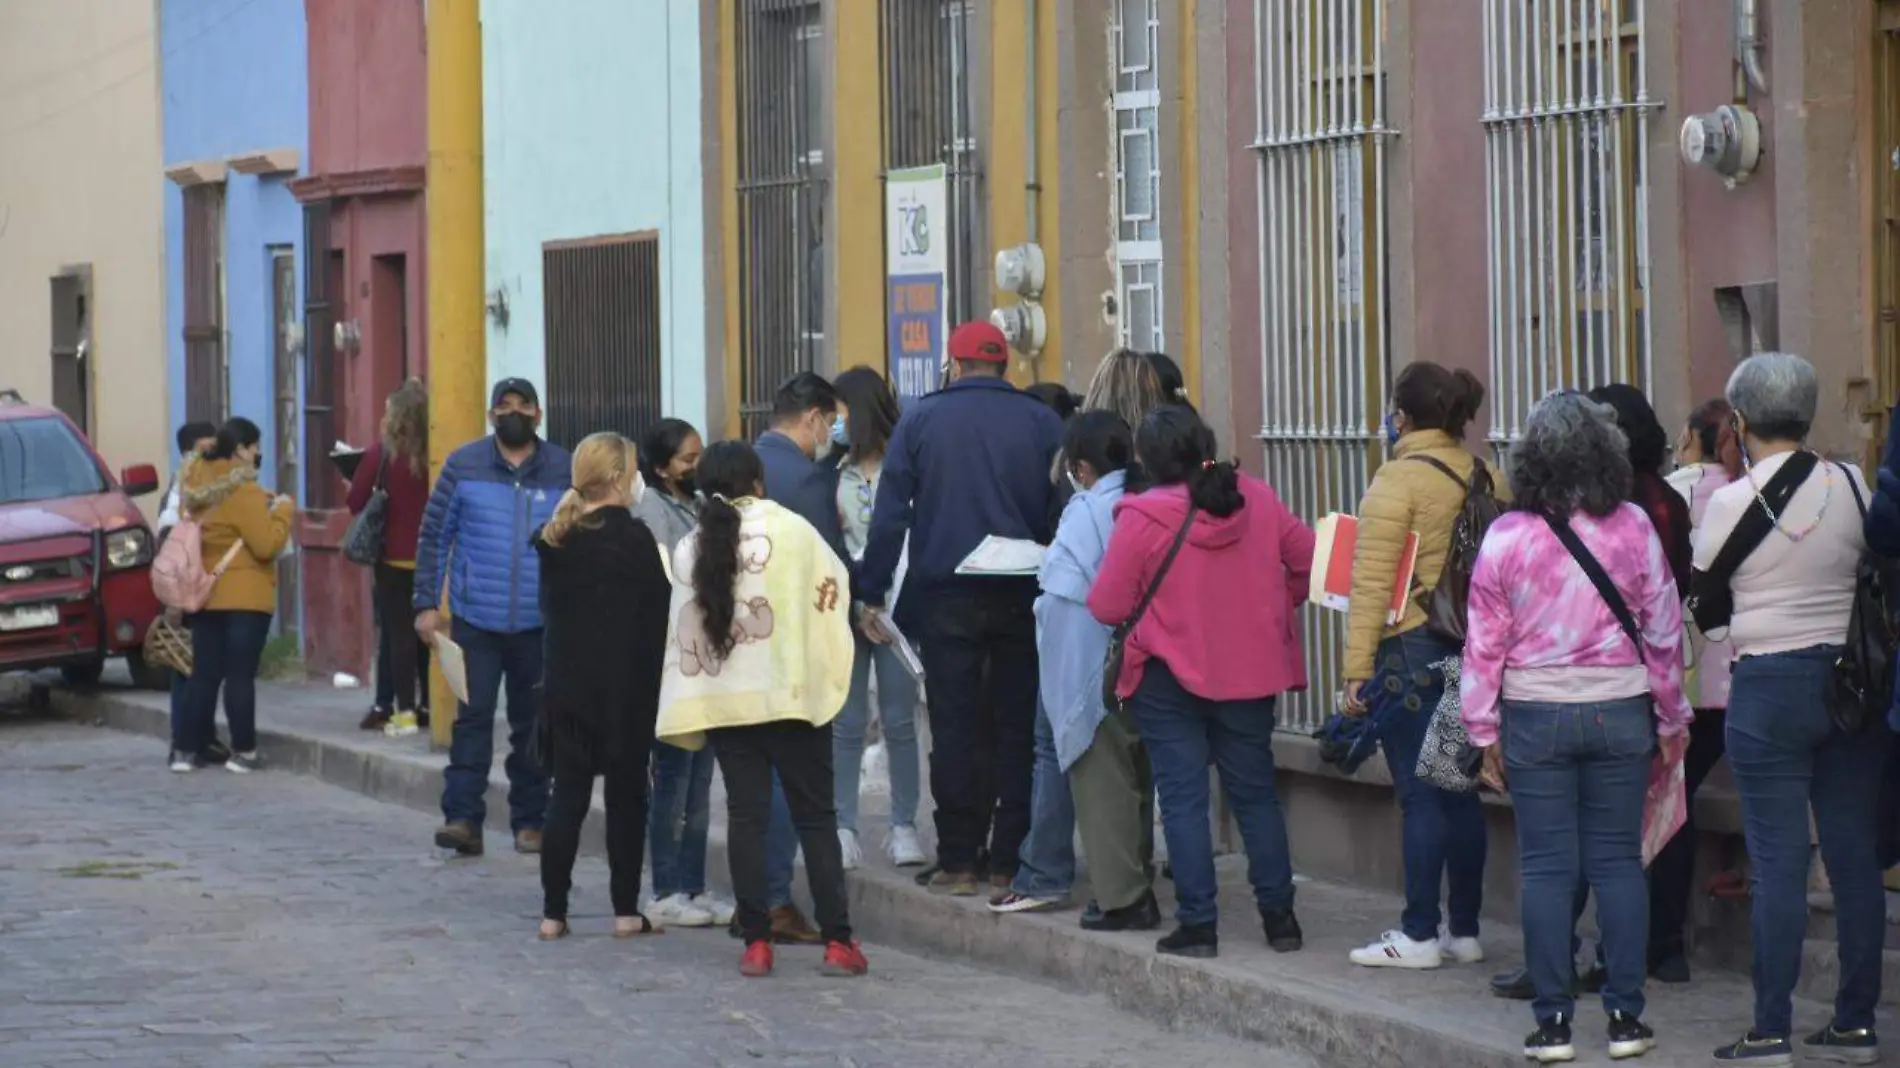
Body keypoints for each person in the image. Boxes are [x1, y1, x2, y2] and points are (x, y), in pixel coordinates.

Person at [1460, 391, 1691, 1063]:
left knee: (1546, 868)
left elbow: (1483, 645)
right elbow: (1664, 632)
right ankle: (1624, 1018)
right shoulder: (1634, 528)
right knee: (1619, 863)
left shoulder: (1507, 536)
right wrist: (1673, 717)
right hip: (1621, 709)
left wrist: (1481, 733)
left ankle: (1554, 1022)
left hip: (1534, 715)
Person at [1697, 353, 1888, 1065]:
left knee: (1776, 863)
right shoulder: (1852, 484)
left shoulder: (1727, 502)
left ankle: (1770, 1028)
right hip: (1849, 686)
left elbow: (1709, 611)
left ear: (1740, 421)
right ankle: (1856, 1024)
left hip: (1768, 688)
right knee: (1854, 858)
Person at [1088, 405, 1311, 958]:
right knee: (1256, 797)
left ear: (1148, 460)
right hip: (1252, 673)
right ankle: (1281, 920)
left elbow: (1108, 605)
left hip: (1169, 678)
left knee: (1183, 801)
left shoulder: (1141, 516)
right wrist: (1274, 606)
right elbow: (1311, 561)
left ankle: (1199, 925)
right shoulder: (1256, 497)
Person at [858, 321, 1065, 895]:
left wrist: (871, 589)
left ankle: (958, 860)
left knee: (954, 726)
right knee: (1015, 725)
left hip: (947, 594)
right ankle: (1010, 858)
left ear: (953, 363)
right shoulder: (1042, 420)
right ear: (1005, 366)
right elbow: (1061, 510)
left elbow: (891, 514)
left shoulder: (921, 420)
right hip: (1024, 592)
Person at [655, 440, 868, 979]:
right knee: (816, 819)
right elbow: (833, 595)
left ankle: (756, 942)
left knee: (745, 820)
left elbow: (684, 632)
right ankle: (839, 942)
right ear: (758, 482)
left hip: (731, 706)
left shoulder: (691, 547)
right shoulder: (795, 532)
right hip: (794, 698)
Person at [999, 352, 1173, 915]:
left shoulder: (1092, 495)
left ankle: (1094, 886)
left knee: (1085, 765)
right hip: (1154, 646)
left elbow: (1086, 591)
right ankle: (1134, 879)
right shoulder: (1166, 473)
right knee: (1140, 771)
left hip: (1095, 649)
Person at [1341, 360, 1492, 969]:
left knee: (1420, 795)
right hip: (1471, 649)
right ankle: (1465, 930)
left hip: (1410, 650)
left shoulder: (1395, 481)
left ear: (1401, 417)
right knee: (1461, 791)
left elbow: (1371, 585)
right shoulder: (1487, 474)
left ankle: (1419, 934)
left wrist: (1355, 671)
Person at [413, 378, 572, 858]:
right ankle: (462, 819)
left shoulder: (564, 469)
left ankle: (530, 822)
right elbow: (435, 535)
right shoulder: (464, 465)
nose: (515, 413)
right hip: (475, 620)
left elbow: (580, 540)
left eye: (524, 405)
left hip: (539, 623)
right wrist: (426, 604)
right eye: (505, 406)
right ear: (491, 415)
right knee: (473, 719)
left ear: (539, 415)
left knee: (533, 725)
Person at [533, 433, 672, 940]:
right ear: (617, 478)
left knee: (565, 796)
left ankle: (553, 914)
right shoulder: (633, 539)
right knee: (627, 799)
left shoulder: (557, 538)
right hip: (625, 692)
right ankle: (624, 911)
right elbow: (658, 617)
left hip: (567, 688)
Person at [747, 372, 845, 942]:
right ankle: (777, 899)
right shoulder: (806, 479)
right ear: (811, 418)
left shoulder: (737, 464)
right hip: (789, 645)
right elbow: (826, 568)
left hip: (741, 642)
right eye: (829, 422)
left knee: (748, 784)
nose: (830, 433)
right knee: (791, 781)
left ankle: (753, 900)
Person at [1651, 397, 1742, 982]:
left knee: (1669, 813)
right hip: (1745, 678)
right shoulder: (1758, 492)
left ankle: (1666, 947)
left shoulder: (1671, 494)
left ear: (1690, 438)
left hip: (1683, 680)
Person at [829, 368, 926, 870]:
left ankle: (903, 825)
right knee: (846, 722)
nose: (831, 423)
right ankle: (843, 825)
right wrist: (856, 605)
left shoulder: (904, 464)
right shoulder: (830, 471)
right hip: (849, 611)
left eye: (838, 412)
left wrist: (885, 602)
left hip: (897, 610)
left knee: (898, 719)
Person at [633, 417, 727, 930]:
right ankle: (666, 886)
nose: (697, 466)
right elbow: (665, 580)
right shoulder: (652, 511)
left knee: (699, 780)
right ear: (662, 467)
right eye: (688, 459)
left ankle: (693, 883)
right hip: (673, 659)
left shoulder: (697, 505)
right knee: (673, 777)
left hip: (705, 657)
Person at [173, 417, 294, 774]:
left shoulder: (194, 485)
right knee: (240, 676)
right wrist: (284, 511)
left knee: (204, 675)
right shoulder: (243, 490)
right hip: (245, 596)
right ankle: (243, 751)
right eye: (255, 446)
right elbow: (266, 544)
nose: (258, 454)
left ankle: (185, 750)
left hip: (206, 593)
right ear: (241, 449)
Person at [348, 379, 432, 738]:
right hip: (431, 557)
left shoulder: (380, 455)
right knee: (430, 632)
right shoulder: (439, 452)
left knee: (398, 635)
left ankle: (405, 712)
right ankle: (431, 703)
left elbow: (355, 502)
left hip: (393, 559)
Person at [159, 420, 216, 768]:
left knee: (203, 669)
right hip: (183, 592)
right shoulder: (180, 491)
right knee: (185, 668)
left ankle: (201, 739)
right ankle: (183, 745)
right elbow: (170, 544)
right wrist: (174, 602)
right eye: (207, 448)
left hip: (202, 589)